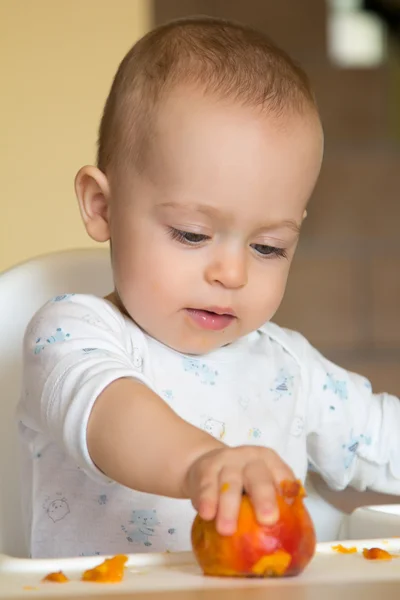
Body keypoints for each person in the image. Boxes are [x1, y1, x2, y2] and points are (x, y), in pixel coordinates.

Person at [18, 16, 400, 559]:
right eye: (192, 234)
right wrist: (202, 464)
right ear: (102, 207)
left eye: (267, 247)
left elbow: (383, 440)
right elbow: (109, 413)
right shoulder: (71, 335)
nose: (233, 274)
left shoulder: (289, 367)